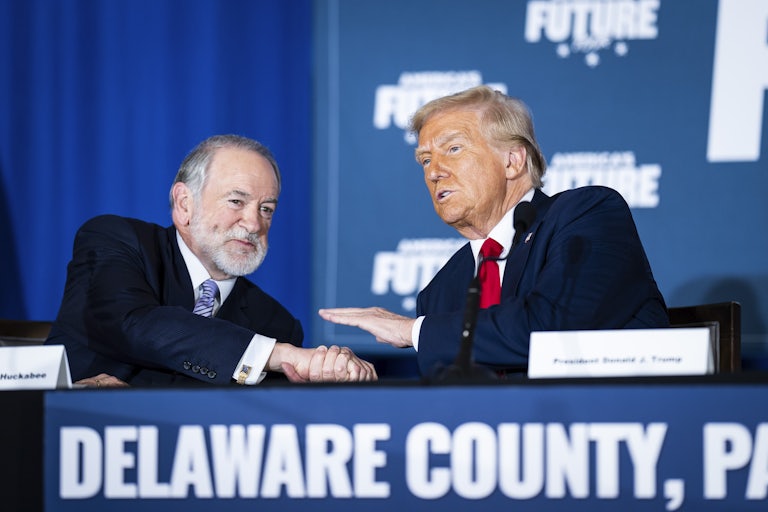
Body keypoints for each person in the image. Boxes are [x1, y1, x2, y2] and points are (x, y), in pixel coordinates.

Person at [319, 85, 669, 377]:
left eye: (453, 149)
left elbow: (552, 329)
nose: (434, 172)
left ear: (512, 161)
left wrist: (413, 331)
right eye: (425, 160)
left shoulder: (586, 216)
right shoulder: (440, 291)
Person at [46, 134, 377, 386]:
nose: (254, 223)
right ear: (184, 204)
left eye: (267, 209)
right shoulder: (116, 240)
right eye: (236, 201)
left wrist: (329, 377)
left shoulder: (276, 323)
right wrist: (278, 355)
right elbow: (135, 324)